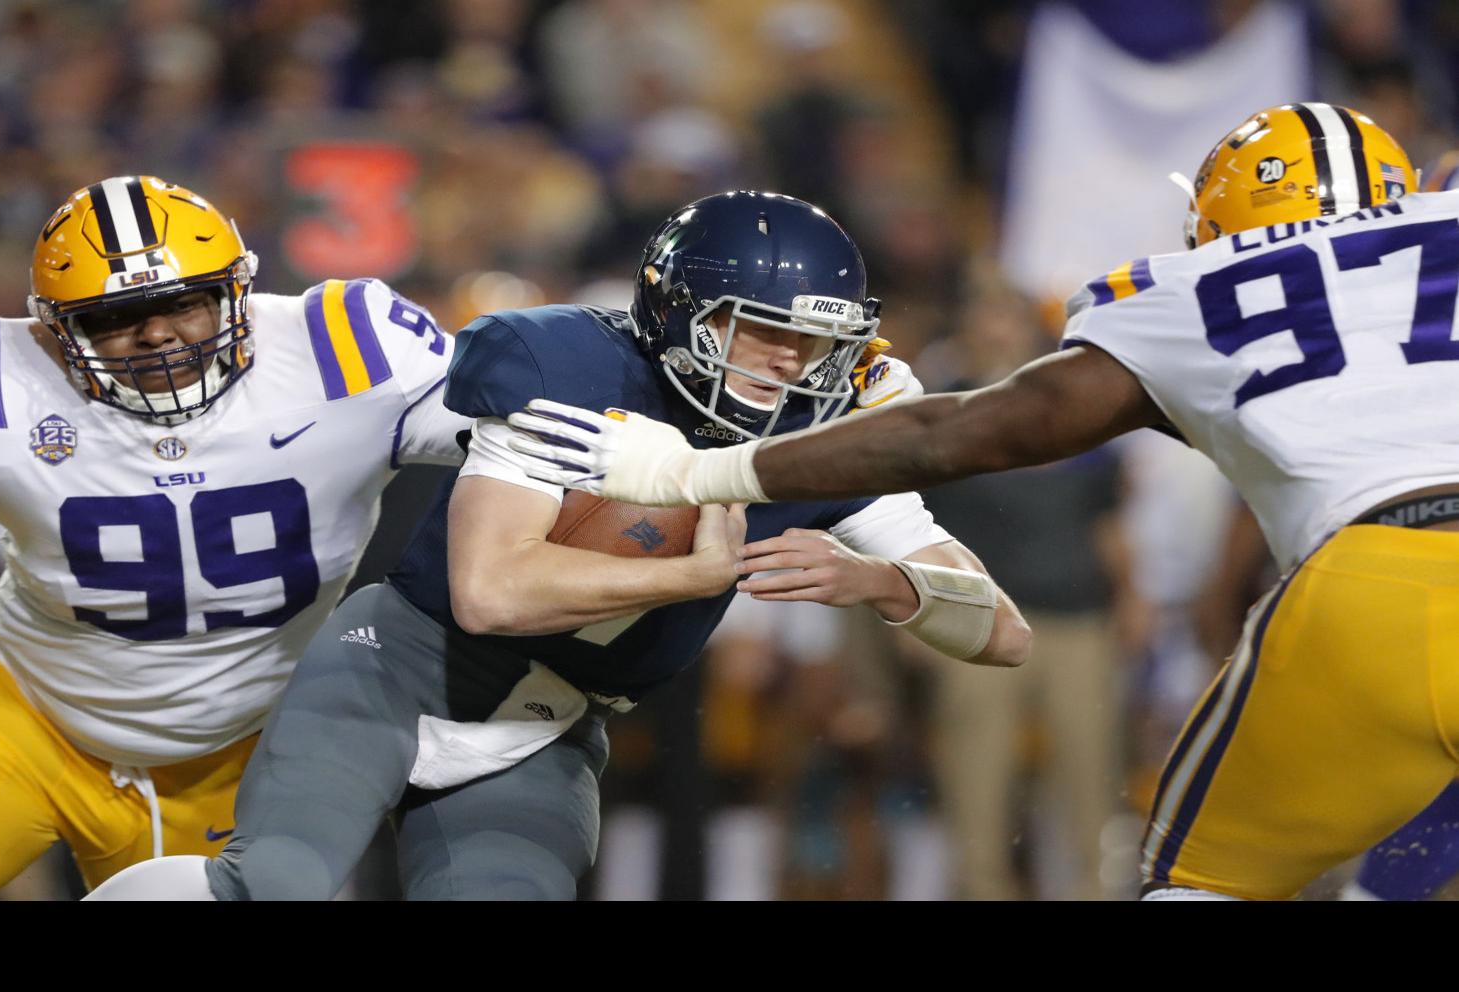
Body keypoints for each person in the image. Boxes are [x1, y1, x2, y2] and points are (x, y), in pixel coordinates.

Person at [509, 103, 1459, 901]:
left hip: (1376, 582)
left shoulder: (1195, 288)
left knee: (1196, 882)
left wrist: (698, 474)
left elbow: (962, 431)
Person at [89, 190, 1030, 900]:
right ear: (677, 311)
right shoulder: (570, 369)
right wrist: (693, 574)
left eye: (810, 340)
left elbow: (1003, 633)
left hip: (542, 728)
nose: (787, 360)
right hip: (398, 672)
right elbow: (490, 592)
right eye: (758, 328)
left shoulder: (827, 434)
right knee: (276, 886)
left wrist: (880, 582)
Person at [0, 176, 468, 898]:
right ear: (51, 328)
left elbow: (514, 435)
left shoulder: (342, 348)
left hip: (237, 750)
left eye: (184, 303)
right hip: (21, 714)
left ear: (237, 292)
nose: (157, 333)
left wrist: (581, 449)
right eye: (116, 316)